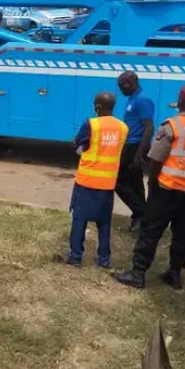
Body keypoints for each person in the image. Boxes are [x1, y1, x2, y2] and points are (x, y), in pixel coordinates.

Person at [114, 85, 185, 290]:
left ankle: (137, 273)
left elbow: (156, 159)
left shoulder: (171, 126)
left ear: (179, 101)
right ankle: (174, 274)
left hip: (167, 190)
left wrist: (151, 184)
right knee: (183, 233)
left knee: (150, 230)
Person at [58, 93, 129, 267]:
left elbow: (77, 142)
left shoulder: (91, 124)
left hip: (87, 181)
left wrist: (77, 143)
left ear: (97, 107)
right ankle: (104, 259)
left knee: (79, 219)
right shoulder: (123, 127)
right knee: (104, 221)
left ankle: (76, 257)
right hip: (108, 183)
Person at [116, 72, 154, 232]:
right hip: (129, 145)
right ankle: (140, 219)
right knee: (135, 183)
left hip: (136, 146)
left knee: (117, 181)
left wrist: (139, 154)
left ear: (131, 82)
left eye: (122, 85)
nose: (120, 89)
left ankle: (141, 213)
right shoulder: (132, 99)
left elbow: (149, 128)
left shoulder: (142, 99)